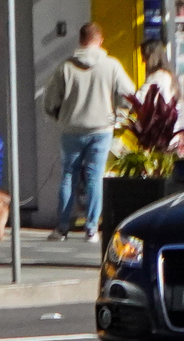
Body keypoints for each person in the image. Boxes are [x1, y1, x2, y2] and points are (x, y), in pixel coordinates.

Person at [41, 21, 138, 240]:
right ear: (100, 40)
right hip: (102, 129)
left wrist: (59, 117)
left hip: (71, 129)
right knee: (95, 177)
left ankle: (62, 227)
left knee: (68, 176)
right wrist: (119, 115)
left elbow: (49, 101)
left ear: (80, 40)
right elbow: (131, 95)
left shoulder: (65, 67)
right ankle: (92, 229)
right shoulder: (111, 66)